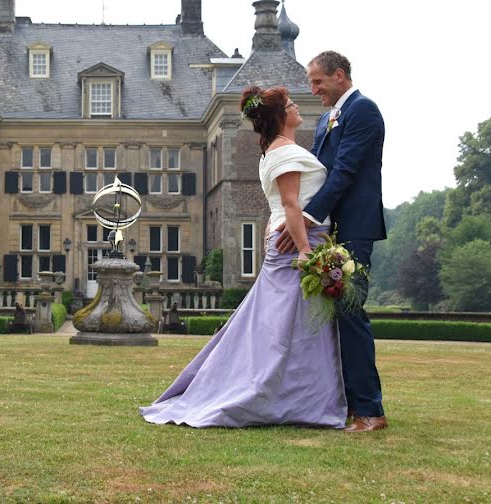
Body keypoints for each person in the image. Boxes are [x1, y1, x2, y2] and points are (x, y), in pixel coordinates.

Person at [139, 85, 347, 429]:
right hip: (297, 245)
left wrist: (274, 230)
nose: (297, 107)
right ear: (280, 116)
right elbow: (292, 204)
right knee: (285, 331)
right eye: (291, 104)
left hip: (288, 242)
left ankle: (293, 397)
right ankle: (292, 399)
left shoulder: (274, 151)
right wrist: (307, 251)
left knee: (275, 328)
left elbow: (279, 205)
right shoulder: (283, 151)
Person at [276, 51, 388, 432]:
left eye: (318, 81)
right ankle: (341, 404)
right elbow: (319, 174)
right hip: (330, 229)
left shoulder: (364, 111)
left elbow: (344, 172)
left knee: (351, 313)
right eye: (310, 82)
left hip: (355, 227)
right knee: (333, 318)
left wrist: (304, 219)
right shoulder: (327, 118)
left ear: (339, 75)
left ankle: (370, 411)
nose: (313, 89)